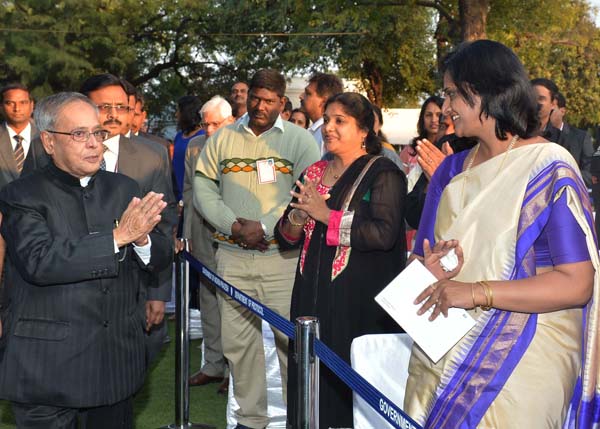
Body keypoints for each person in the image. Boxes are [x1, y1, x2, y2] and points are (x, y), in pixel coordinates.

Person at [404, 39, 598, 428]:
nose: (445, 108)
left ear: (489, 92)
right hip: (445, 344)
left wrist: (477, 292)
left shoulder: (549, 166)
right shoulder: (449, 171)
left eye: (453, 94)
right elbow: (418, 260)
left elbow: (577, 283)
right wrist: (426, 269)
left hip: (526, 356)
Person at [0, 92, 171, 428]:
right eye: (79, 134)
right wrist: (117, 238)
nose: (94, 144)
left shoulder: (124, 188)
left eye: (98, 133)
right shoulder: (22, 194)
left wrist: (143, 239)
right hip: (47, 368)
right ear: (49, 142)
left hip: (114, 365)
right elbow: (40, 261)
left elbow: (160, 255)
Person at [194, 69, 320, 429]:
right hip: (231, 256)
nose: (260, 106)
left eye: (269, 101)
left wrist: (264, 226)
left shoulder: (299, 141)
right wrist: (232, 225)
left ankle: (299, 419)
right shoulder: (223, 138)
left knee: (290, 342)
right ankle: (251, 420)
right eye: (255, 98)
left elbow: (307, 193)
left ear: (283, 102)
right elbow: (203, 186)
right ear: (246, 97)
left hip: (281, 259)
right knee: (238, 344)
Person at [276, 92, 407, 428]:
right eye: (328, 120)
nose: (328, 128)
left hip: (357, 304)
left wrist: (325, 215)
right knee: (308, 380)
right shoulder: (315, 170)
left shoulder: (383, 174)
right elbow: (286, 237)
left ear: (364, 130)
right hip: (309, 296)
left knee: (349, 388)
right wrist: (296, 218)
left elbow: (383, 234)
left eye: (340, 121)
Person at [80, 73, 177, 364]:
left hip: (134, 285)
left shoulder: (152, 155)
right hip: (75, 284)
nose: (113, 115)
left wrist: (159, 293)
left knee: (132, 365)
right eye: (104, 107)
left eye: (121, 107)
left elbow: (165, 224)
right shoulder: (53, 149)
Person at [183, 95, 234, 394]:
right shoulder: (193, 147)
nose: (210, 129)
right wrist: (187, 234)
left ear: (230, 121)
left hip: (233, 235)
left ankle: (235, 370)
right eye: (206, 124)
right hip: (201, 233)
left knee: (234, 304)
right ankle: (213, 365)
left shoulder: (244, 146)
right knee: (208, 299)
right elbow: (189, 193)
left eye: (217, 123)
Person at [550, 91, 594, 187]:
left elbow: (591, 174)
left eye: (551, 111)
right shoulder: (534, 137)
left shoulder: (580, 137)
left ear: (562, 111)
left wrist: (566, 174)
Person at [300, 72, 344, 154]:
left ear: (324, 101)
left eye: (308, 93)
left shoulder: (327, 135)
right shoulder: (315, 131)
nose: (301, 96)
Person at [399, 95, 443, 175]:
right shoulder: (410, 150)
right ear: (422, 119)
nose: (434, 120)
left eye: (439, 115)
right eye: (429, 115)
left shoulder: (449, 149)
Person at [173, 95, 204, 202]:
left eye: (179, 111)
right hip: (176, 193)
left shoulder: (202, 137)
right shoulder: (179, 136)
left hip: (192, 196)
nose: (176, 114)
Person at [531, 77, 562, 142]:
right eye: (532, 98)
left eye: (541, 98)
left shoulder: (561, 139)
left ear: (553, 104)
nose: (535, 102)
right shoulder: (515, 136)